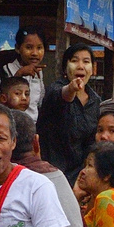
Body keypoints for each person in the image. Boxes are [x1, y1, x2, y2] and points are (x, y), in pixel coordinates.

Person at [36, 42, 100, 181]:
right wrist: (71, 89)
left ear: (92, 68)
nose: (80, 66)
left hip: (79, 173)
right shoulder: (54, 90)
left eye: (86, 61)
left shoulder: (95, 100)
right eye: (74, 61)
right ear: (65, 67)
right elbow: (62, 95)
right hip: (52, 170)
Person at [0, 27, 47, 123]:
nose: (35, 53)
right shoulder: (7, 70)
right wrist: (19, 74)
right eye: (29, 47)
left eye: (39, 48)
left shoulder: (39, 71)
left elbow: (39, 103)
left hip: (32, 126)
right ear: (18, 48)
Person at [0, 76, 36, 144]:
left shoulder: (27, 120)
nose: (24, 98)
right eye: (17, 93)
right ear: (3, 98)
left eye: (27, 94)